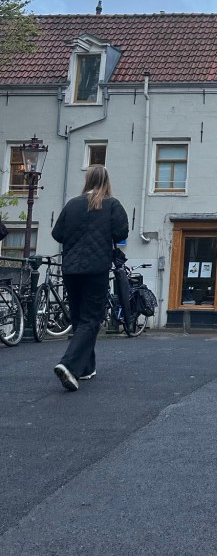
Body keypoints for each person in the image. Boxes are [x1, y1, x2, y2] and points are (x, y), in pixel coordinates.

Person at [51, 164, 129, 391]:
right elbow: (121, 233)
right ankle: (69, 365)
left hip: (71, 269)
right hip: (96, 269)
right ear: (106, 181)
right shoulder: (112, 204)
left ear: (87, 180)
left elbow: (57, 234)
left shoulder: (72, 204)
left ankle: (86, 368)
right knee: (91, 319)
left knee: (79, 318)